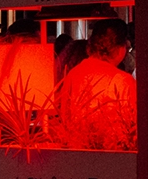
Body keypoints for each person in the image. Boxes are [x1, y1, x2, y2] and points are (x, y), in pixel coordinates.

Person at [53, 19, 136, 148]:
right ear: (121, 48)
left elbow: (64, 117)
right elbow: (132, 128)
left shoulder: (73, 74)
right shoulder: (121, 80)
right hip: (112, 155)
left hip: (75, 152)